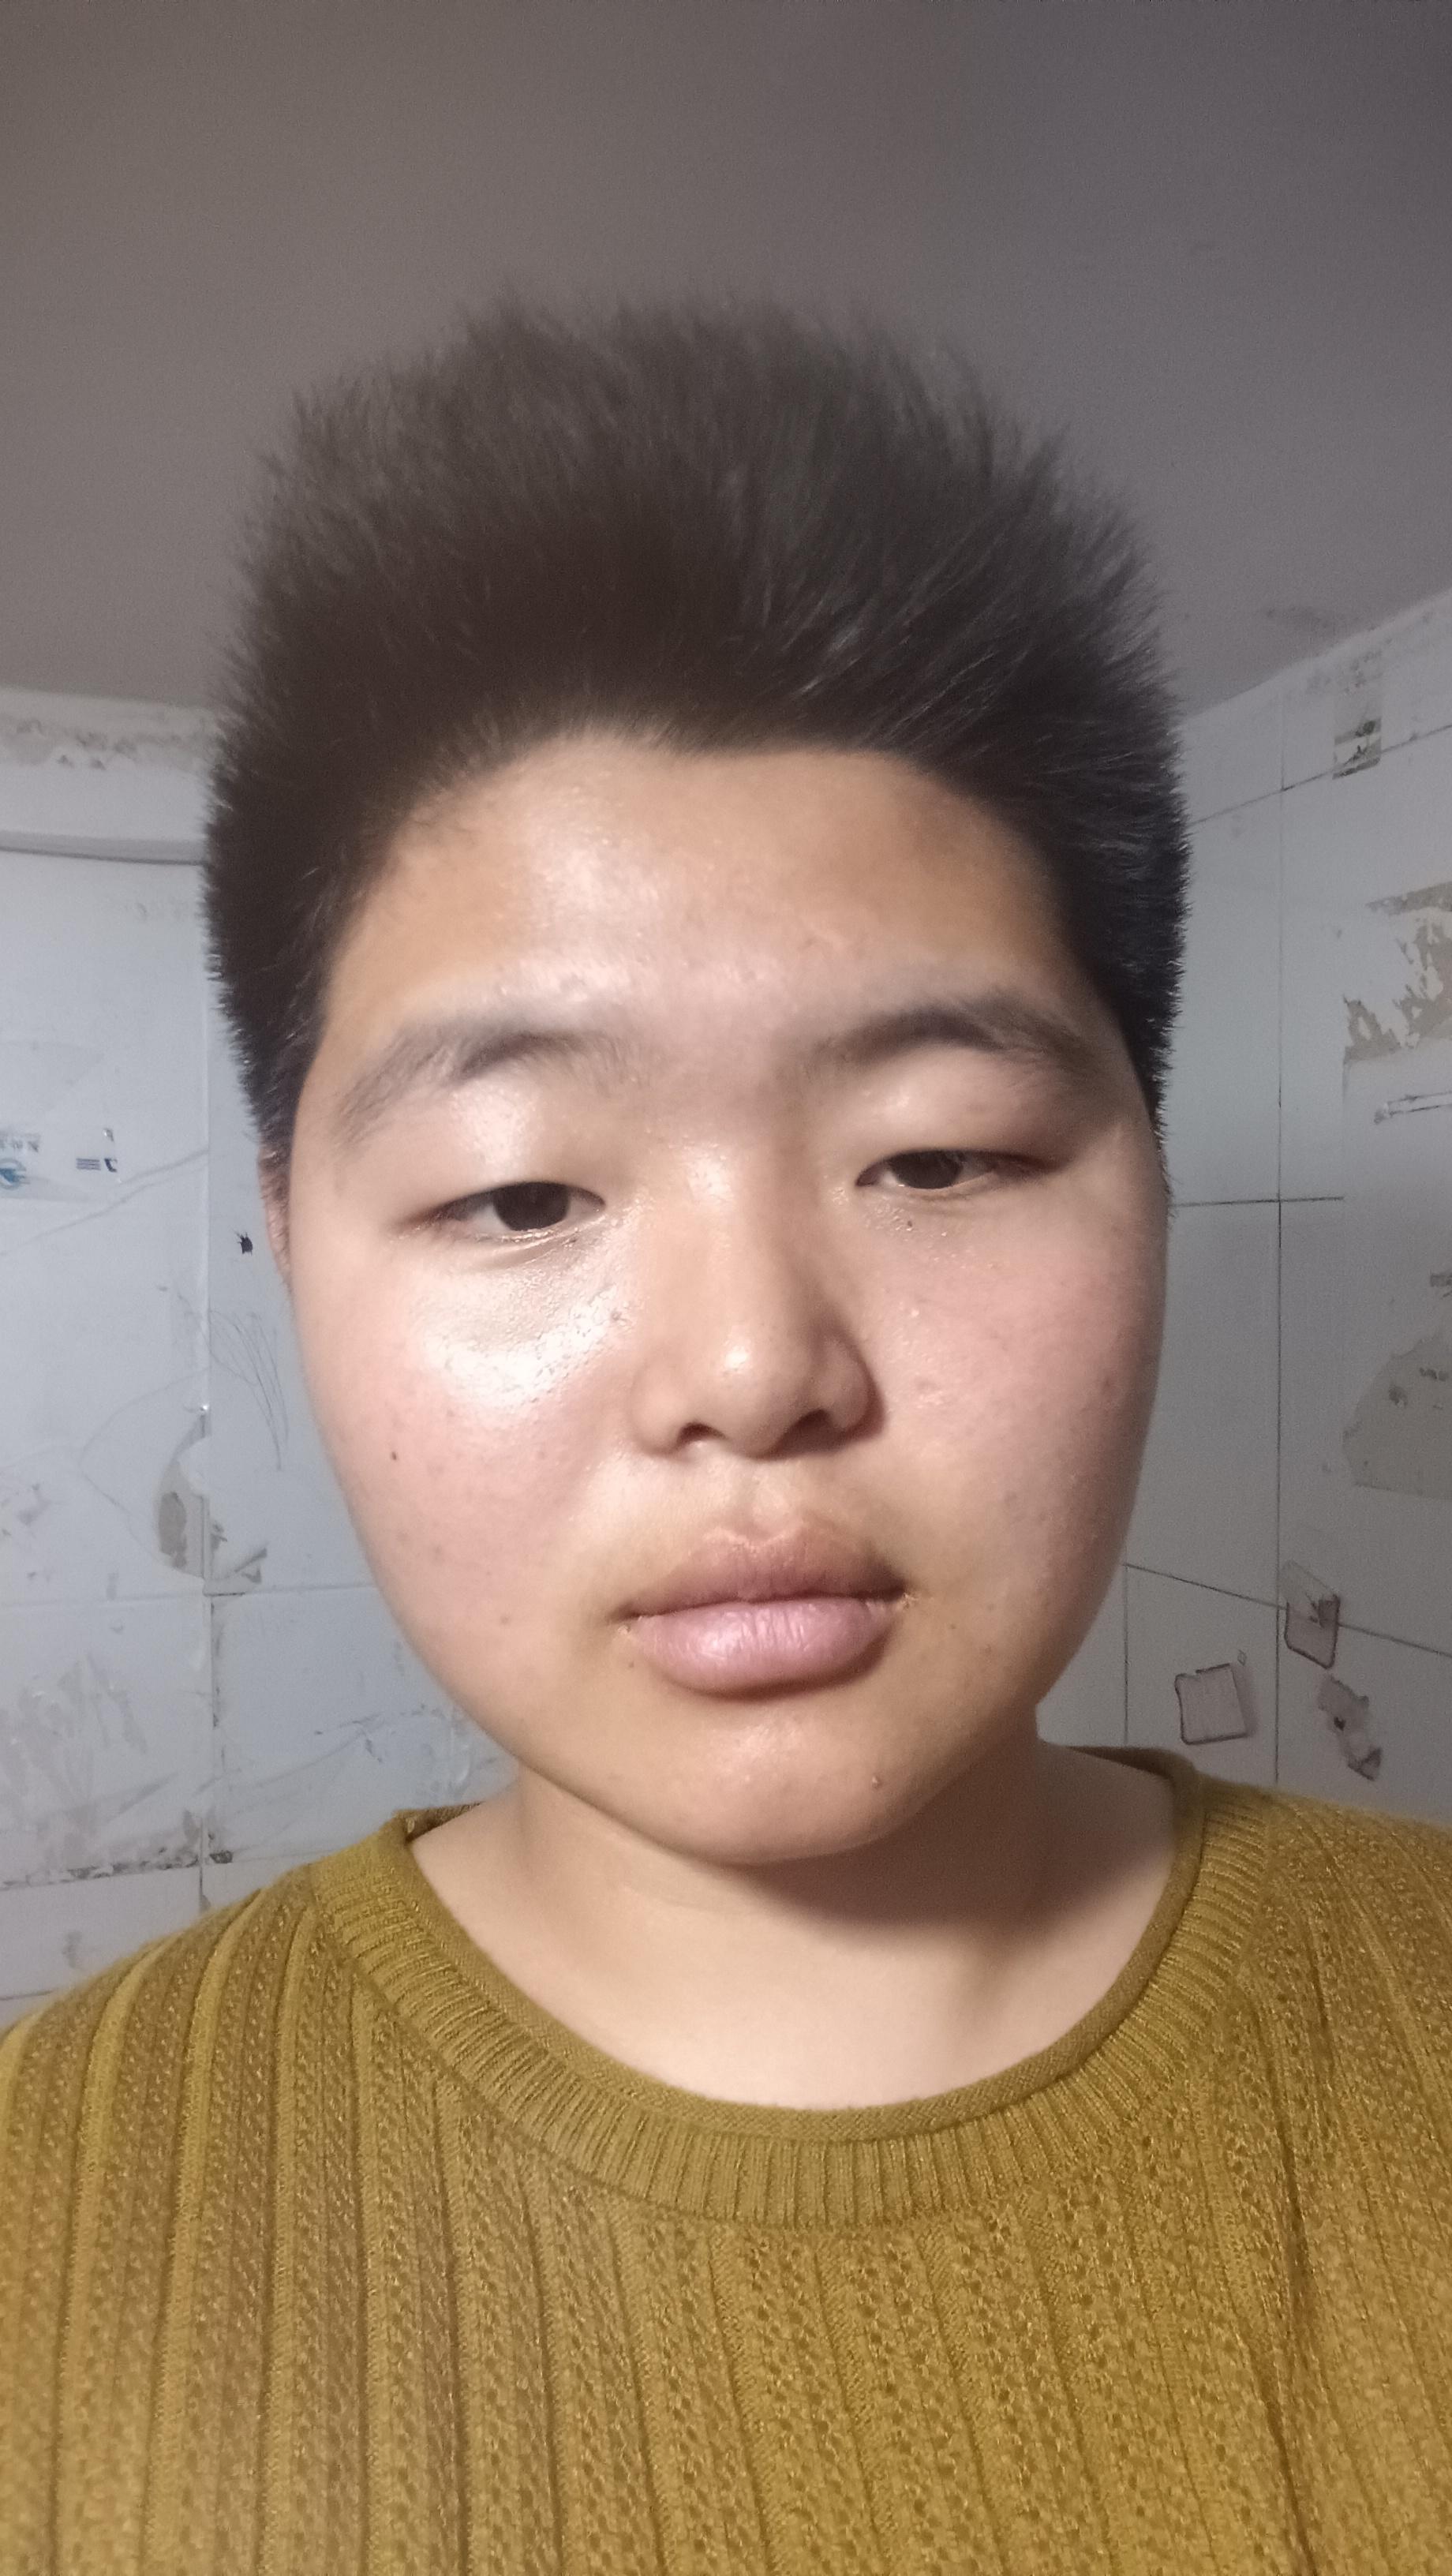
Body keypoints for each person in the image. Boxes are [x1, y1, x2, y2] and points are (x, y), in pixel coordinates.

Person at [2, 301, 1449, 2576]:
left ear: (1155, 1182)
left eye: (940, 1155)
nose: (756, 1367)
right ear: (288, 1240)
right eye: (521, 1196)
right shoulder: (53, 2208)